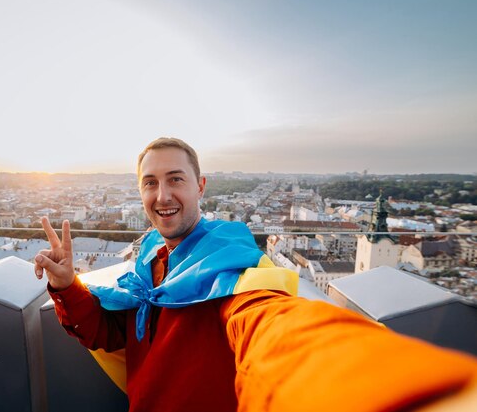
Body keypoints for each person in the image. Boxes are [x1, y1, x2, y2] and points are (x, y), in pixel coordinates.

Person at [35, 137, 477, 412]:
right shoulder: (150, 259)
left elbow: (270, 327)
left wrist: (376, 385)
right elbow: (115, 335)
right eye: (150, 182)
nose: (162, 194)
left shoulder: (231, 265)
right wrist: (65, 285)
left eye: (176, 179)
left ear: (201, 186)